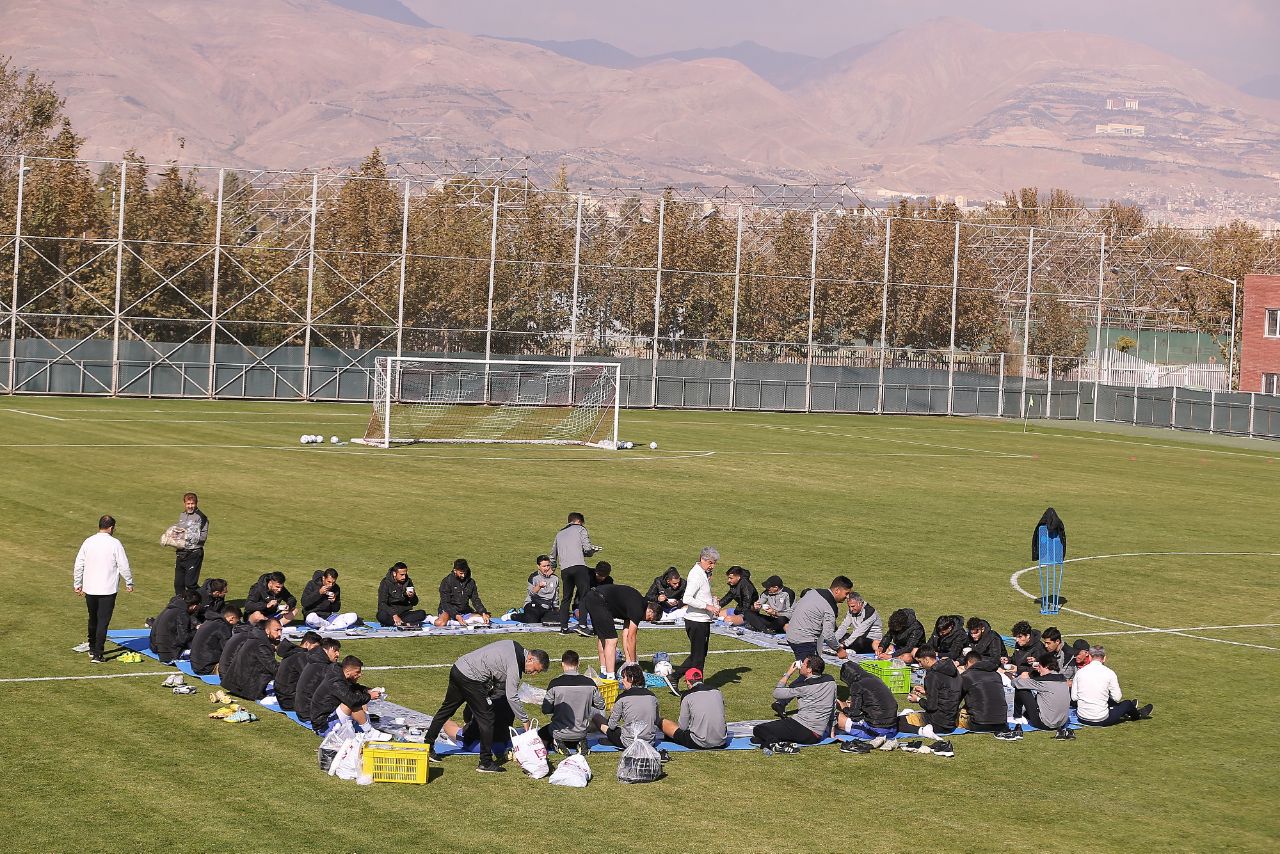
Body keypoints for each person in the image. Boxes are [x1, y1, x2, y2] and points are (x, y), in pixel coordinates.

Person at [421, 640, 549, 774]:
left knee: (446, 709)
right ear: (530, 658)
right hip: (471, 678)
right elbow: (511, 696)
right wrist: (524, 720)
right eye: (535, 670)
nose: (533, 674)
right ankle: (485, 762)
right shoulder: (515, 664)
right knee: (487, 718)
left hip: (458, 668)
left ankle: (427, 747)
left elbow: (496, 666)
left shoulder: (514, 645)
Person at [72, 515, 134, 664]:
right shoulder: (115, 543)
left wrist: (77, 583)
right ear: (111, 528)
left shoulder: (89, 541)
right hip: (107, 589)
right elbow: (123, 565)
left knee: (92, 618)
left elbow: (79, 563)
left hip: (90, 588)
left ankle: (92, 647)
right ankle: (98, 654)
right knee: (103, 622)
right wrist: (129, 582)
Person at [752, 656, 837, 752]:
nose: (801, 666)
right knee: (758, 738)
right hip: (817, 735)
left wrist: (788, 674)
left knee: (759, 729)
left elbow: (777, 693)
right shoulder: (831, 681)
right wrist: (832, 729)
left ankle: (776, 744)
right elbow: (833, 706)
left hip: (803, 728)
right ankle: (774, 740)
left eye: (804, 664)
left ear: (809, 669)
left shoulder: (802, 686)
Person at [577, 583, 660, 679]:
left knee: (603, 637)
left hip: (591, 597)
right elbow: (632, 638)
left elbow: (626, 634)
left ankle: (604, 671)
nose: (646, 620)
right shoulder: (639, 608)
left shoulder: (634, 604)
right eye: (649, 618)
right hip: (599, 600)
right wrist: (634, 664)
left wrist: (628, 660)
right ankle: (610, 677)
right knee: (611, 640)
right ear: (650, 611)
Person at [538, 650, 605, 754]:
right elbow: (601, 705)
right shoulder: (590, 683)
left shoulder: (555, 684)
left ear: (562, 664)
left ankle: (558, 743)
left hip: (559, 731)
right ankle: (580, 742)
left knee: (541, 734)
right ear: (578, 664)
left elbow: (545, 709)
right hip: (581, 731)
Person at [1072, 645, 1153, 726]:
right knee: (1127, 704)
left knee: (1104, 698)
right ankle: (1137, 715)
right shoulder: (1109, 673)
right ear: (1104, 658)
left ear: (1089, 656)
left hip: (1082, 717)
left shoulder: (1080, 672)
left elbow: (1074, 697)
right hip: (1101, 719)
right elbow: (1117, 698)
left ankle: (1126, 711)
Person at [309, 655, 387, 737]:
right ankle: (369, 731)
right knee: (353, 703)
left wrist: (367, 690)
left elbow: (353, 687)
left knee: (359, 697)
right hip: (324, 725)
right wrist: (369, 696)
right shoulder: (335, 682)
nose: (360, 675)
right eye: (357, 672)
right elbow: (352, 701)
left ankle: (366, 727)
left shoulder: (341, 674)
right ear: (348, 671)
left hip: (329, 714)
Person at [1003, 652, 1073, 739]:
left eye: (1039, 666)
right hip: (1062, 722)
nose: (1038, 669)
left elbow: (1015, 683)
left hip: (1046, 724)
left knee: (1021, 689)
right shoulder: (1063, 679)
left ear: (1046, 667)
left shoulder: (1043, 682)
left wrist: (1023, 675)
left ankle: (1017, 717)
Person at [676, 547, 721, 678]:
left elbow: (701, 595)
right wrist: (708, 606)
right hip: (696, 621)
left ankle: (676, 677)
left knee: (699, 654)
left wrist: (712, 602)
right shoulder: (696, 575)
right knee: (698, 657)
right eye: (710, 563)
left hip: (701, 620)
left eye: (714, 563)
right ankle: (694, 683)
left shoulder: (702, 574)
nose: (712, 566)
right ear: (702, 559)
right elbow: (687, 598)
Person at [552, 512, 601, 634]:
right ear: (579, 522)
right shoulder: (581, 529)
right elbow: (587, 548)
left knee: (566, 598)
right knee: (584, 596)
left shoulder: (559, 533)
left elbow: (553, 554)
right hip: (579, 566)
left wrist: (553, 566)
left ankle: (563, 627)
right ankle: (582, 626)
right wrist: (592, 552)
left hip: (565, 569)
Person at [899, 645, 961, 739]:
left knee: (898, 722)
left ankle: (923, 731)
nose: (919, 665)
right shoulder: (954, 671)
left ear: (927, 659)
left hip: (938, 722)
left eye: (920, 661)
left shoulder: (932, 676)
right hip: (951, 720)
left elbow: (931, 706)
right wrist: (926, 692)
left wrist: (918, 699)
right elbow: (947, 692)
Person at [596, 664, 662, 752]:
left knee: (596, 717)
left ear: (631, 679)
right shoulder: (652, 696)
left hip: (629, 742)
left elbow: (611, 726)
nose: (622, 681)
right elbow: (656, 720)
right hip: (649, 742)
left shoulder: (622, 698)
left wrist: (613, 712)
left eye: (623, 677)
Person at [784, 576, 852, 661]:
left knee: (804, 665)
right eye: (846, 593)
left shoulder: (813, 592)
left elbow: (795, 609)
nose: (847, 597)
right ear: (837, 590)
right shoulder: (830, 607)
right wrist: (839, 649)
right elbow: (828, 635)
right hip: (804, 640)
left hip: (791, 634)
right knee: (812, 670)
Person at [661, 667, 728, 749]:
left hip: (699, 742)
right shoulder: (717, 692)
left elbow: (683, 726)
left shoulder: (687, 695)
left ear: (688, 681)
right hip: (721, 741)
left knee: (663, 723)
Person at [837, 660, 899, 744]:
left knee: (837, 717)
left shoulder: (857, 684)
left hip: (875, 730)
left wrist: (843, 707)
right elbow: (873, 703)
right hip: (892, 728)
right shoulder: (875, 678)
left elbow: (854, 714)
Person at [221, 618, 282, 701]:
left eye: (281, 630)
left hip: (236, 684)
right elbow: (275, 669)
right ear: (267, 631)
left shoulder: (256, 639)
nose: (279, 634)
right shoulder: (261, 645)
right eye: (277, 630)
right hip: (245, 690)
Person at [959, 650, 1010, 733]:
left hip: (978, 724)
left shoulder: (967, 675)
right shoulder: (996, 675)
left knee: (960, 714)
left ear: (968, 662)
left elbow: (956, 699)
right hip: (1002, 723)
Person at [295, 638, 342, 725]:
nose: (338, 654)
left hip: (302, 710)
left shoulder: (315, 661)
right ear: (325, 650)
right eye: (335, 651)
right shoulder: (324, 667)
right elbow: (338, 689)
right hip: (310, 714)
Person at [149, 591, 202, 664]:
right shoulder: (182, 613)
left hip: (155, 646)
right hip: (168, 653)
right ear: (194, 606)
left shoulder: (172, 608)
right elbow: (184, 638)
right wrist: (197, 630)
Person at [435, 558, 490, 627]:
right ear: (455, 570)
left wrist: (483, 612)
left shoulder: (471, 582)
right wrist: (456, 616)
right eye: (461, 573)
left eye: (465, 572)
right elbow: (445, 603)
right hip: (448, 611)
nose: (463, 575)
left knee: (487, 617)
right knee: (440, 623)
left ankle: (460, 621)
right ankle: (432, 619)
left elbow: (475, 599)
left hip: (464, 611)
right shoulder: (447, 582)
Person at [274, 630, 321, 712]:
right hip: (290, 701)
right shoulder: (301, 656)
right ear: (307, 644)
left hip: (283, 697)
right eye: (315, 648)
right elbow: (311, 677)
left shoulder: (293, 653)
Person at [172, 492, 209, 595]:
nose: (190, 506)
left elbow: (203, 537)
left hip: (194, 553)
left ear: (196, 503)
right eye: (188, 503)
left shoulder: (201, 517)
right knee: (178, 584)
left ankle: (205, 597)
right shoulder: (182, 515)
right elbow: (179, 531)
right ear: (184, 503)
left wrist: (186, 537)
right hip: (181, 553)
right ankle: (181, 605)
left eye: (192, 503)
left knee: (190, 584)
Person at [190, 606, 241, 676]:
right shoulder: (223, 627)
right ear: (232, 618)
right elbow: (229, 651)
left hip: (196, 664)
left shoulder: (209, 621)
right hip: (207, 667)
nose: (236, 624)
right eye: (237, 622)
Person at [377, 562, 425, 627]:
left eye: (405, 574)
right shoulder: (385, 583)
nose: (404, 577)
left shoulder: (408, 581)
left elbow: (415, 603)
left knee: (422, 614)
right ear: (394, 573)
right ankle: (403, 624)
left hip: (404, 613)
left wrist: (412, 596)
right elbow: (382, 603)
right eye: (401, 575)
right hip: (390, 613)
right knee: (381, 616)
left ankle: (398, 623)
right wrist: (394, 615)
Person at [517, 555, 559, 624]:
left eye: (548, 566)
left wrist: (556, 609)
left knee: (559, 619)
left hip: (546, 608)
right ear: (538, 566)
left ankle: (540, 617)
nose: (547, 568)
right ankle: (513, 615)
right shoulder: (534, 577)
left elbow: (555, 597)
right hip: (533, 605)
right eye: (544, 566)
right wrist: (539, 586)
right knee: (532, 620)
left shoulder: (555, 578)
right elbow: (531, 593)